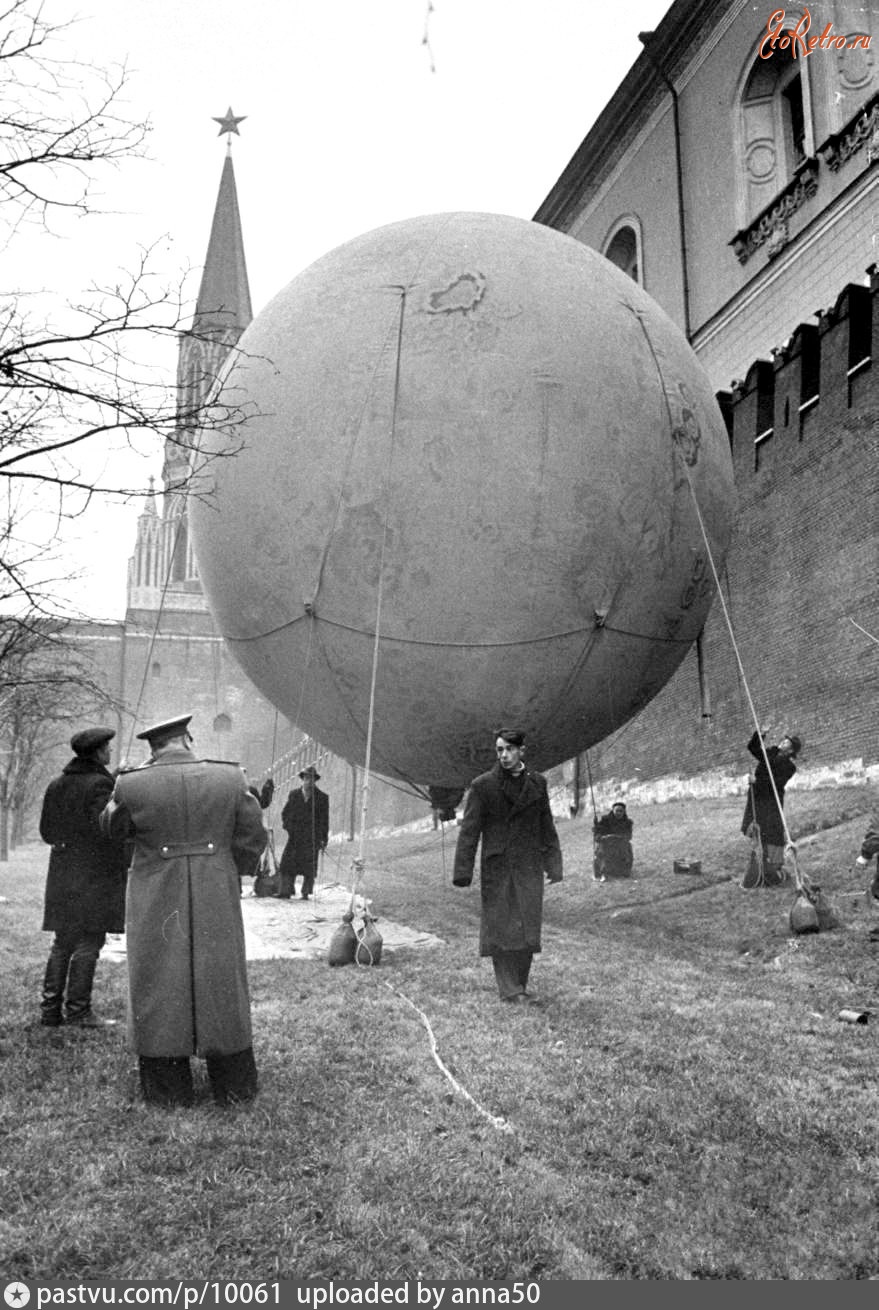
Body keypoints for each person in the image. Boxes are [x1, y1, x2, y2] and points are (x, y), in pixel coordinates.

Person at [100, 714, 266, 1108]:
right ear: (188, 739)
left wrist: (120, 793)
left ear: (152, 748)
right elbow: (253, 836)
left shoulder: (131, 783)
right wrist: (228, 867)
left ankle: (168, 1089)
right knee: (222, 977)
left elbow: (111, 831)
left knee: (159, 979)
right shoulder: (231, 777)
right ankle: (234, 1085)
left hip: (155, 890)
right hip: (216, 888)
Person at [453, 727, 563, 1005]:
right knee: (501, 928)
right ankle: (510, 989)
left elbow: (546, 825)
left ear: (522, 751)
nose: (504, 755)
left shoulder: (538, 784)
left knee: (526, 927)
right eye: (499, 750)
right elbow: (469, 831)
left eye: (510, 749)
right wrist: (462, 872)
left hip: (529, 866)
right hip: (498, 868)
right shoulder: (483, 786)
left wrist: (554, 864)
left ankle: (520, 985)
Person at [38, 726, 128, 1029]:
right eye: (107, 748)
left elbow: (46, 832)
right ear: (98, 752)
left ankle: (50, 1012)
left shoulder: (57, 784)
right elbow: (107, 829)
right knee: (90, 939)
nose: (110, 752)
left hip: (62, 872)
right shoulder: (101, 786)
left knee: (63, 941)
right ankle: (79, 1012)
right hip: (93, 874)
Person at [740, 726, 802, 887]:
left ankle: (772, 869)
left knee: (771, 832)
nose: (783, 743)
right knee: (755, 829)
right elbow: (753, 748)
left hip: (771, 801)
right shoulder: (770, 753)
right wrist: (761, 733)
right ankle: (757, 868)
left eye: (787, 743)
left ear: (791, 751)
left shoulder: (789, 767)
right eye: (784, 740)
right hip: (757, 797)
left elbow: (777, 783)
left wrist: (757, 781)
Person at [277, 765, 329, 900]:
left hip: (312, 837)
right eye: (306, 778)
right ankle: (286, 890)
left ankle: (306, 892)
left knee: (309, 867)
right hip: (295, 836)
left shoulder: (322, 797)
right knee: (287, 864)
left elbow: (324, 820)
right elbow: (285, 813)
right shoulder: (294, 794)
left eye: (311, 779)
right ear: (303, 779)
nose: (308, 782)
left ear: (315, 780)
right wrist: (288, 827)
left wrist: (323, 838)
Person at [593, 800, 634, 880]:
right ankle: (603, 873)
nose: (618, 813)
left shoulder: (628, 822)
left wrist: (620, 838)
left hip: (620, 844)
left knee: (626, 846)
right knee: (602, 850)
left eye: (621, 811)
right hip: (606, 844)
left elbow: (629, 836)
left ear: (624, 812)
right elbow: (598, 835)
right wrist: (599, 834)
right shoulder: (605, 820)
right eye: (616, 811)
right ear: (613, 811)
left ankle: (624, 870)